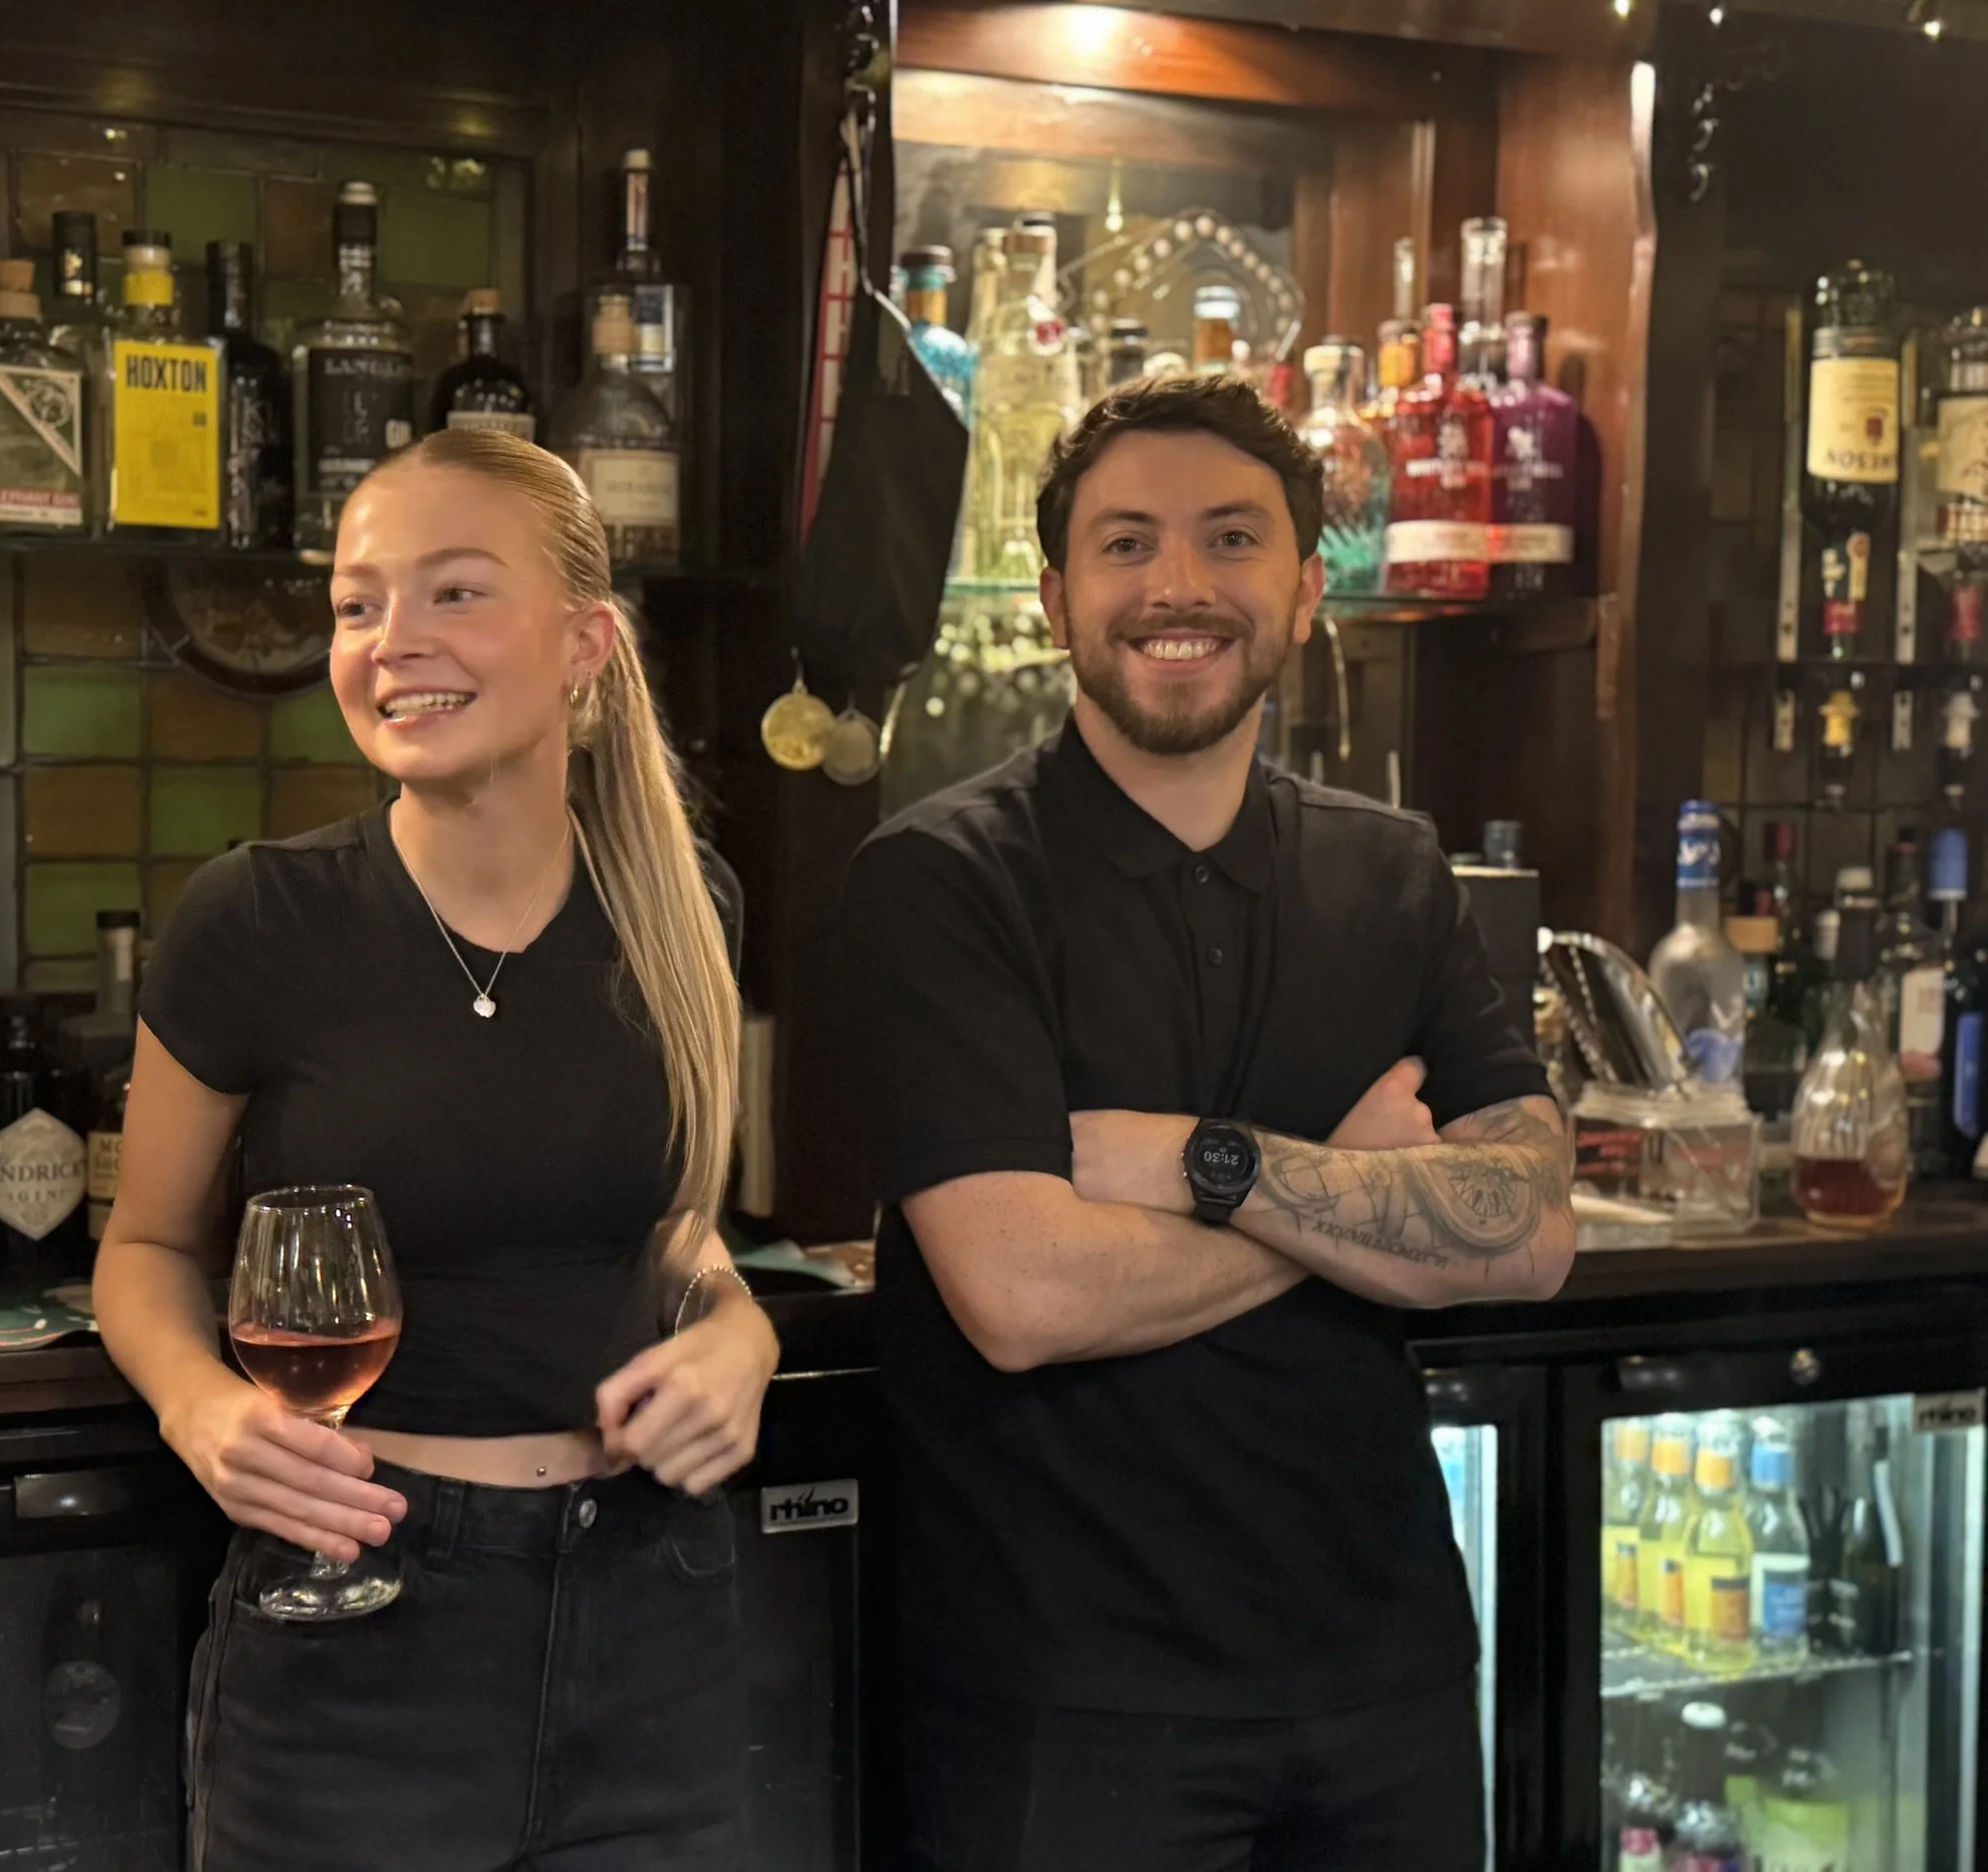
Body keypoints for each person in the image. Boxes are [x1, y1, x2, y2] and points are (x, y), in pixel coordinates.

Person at [838, 374, 1575, 1872]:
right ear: (1054, 598)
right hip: (1066, 1700)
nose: (1178, 585)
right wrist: (1361, 1191)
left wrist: (1205, 1167)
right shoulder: (943, 882)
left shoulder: (1392, 871)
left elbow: (1532, 1229)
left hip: (1387, 1675)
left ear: (1306, 592)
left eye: (1231, 539)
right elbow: (1024, 1292)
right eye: (1126, 545)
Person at [95, 426, 774, 1872]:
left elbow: (669, 1229)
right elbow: (146, 1247)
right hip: (361, 1616)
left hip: (653, 1605)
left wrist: (743, 1335)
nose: (393, 641)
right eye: (359, 603)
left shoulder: (684, 904)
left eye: (456, 592)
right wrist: (205, 1414)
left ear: (587, 640)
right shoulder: (257, 921)